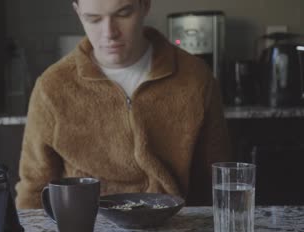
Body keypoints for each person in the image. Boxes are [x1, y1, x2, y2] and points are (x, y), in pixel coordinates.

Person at [15, 0, 231, 209]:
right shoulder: (52, 87)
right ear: (78, 13)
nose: (109, 32)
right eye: (93, 19)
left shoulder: (195, 78)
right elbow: (34, 189)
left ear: (144, 5)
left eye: (123, 14)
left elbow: (215, 180)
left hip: (176, 229)